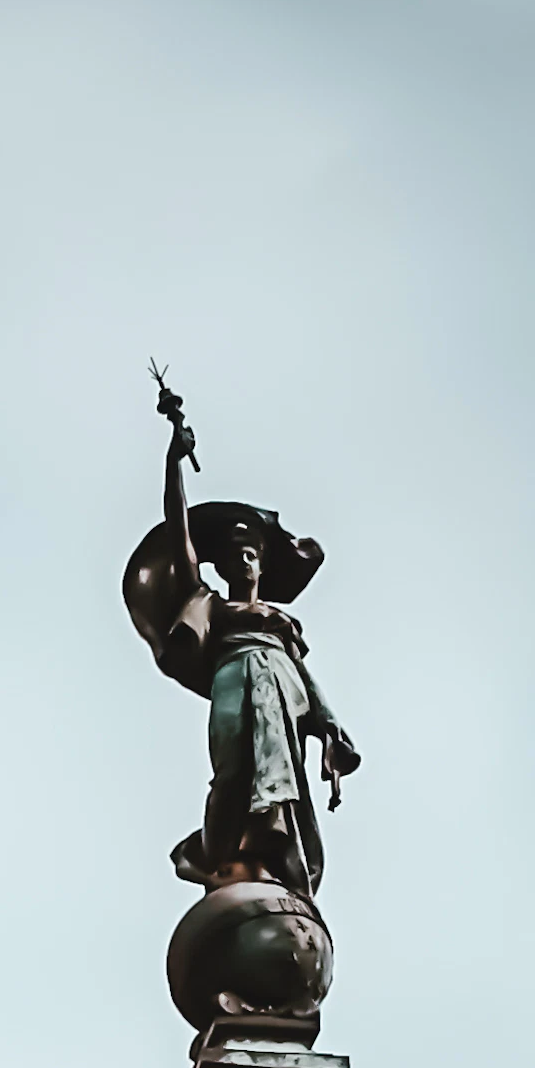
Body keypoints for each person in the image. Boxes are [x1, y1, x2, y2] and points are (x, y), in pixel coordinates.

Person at [126, 376, 362, 897]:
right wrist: (173, 461)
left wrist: (329, 728)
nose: (243, 559)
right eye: (233, 554)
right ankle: (216, 851)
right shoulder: (213, 604)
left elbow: (304, 676)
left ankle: (271, 846)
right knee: (233, 769)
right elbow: (179, 529)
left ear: (262, 562)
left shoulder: (281, 625)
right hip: (234, 676)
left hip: (280, 685)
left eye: (251, 552)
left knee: (283, 775)